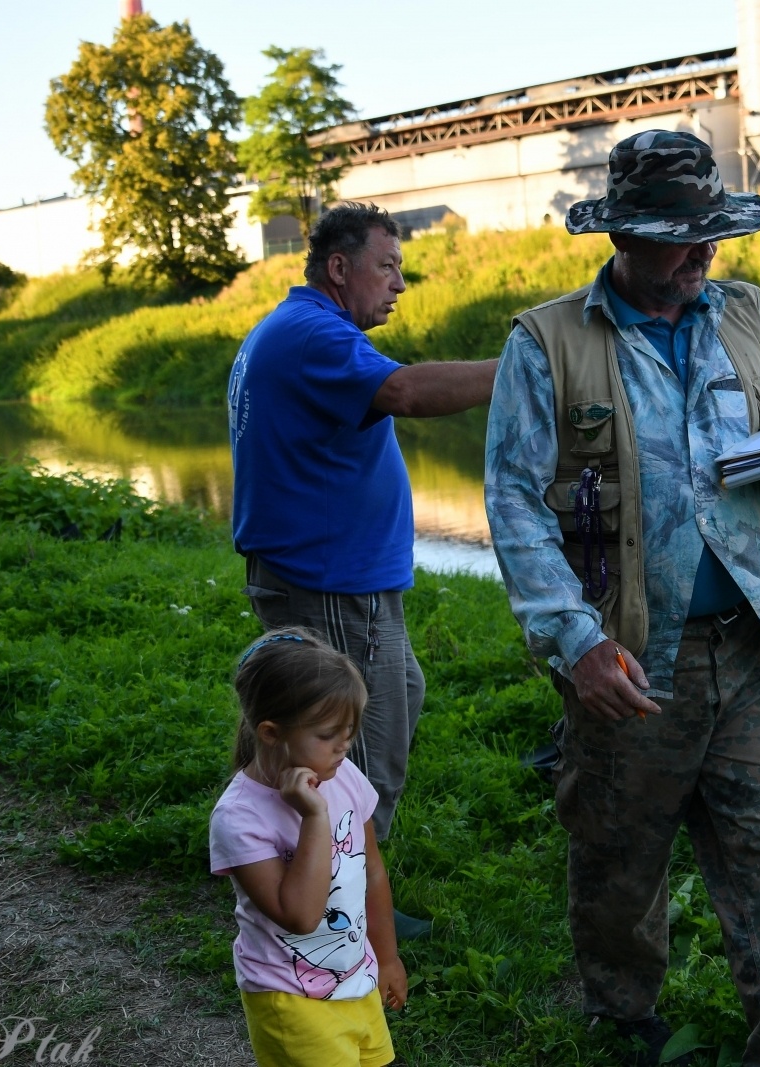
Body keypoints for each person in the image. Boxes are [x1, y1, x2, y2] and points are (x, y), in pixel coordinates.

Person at [484, 130, 760, 1067]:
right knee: (617, 861)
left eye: (711, 235)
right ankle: (623, 1019)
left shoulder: (745, 316)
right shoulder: (548, 341)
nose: (704, 255)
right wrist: (575, 641)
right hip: (629, 660)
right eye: (682, 237)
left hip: (753, 646)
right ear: (625, 237)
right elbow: (516, 503)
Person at [229, 203, 497, 935]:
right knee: (357, 749)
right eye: (389, 267)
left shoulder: (291, 329)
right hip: (332, 585)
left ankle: (283, 866)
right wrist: (525, 371)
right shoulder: (315, 334)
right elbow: (405, 393)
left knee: (387, 702)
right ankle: (336, 905)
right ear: (339, 268)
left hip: (330, 577)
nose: (400, 285)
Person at [209, 627, 407, 1067]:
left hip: (356, 978)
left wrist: (387, 957)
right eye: (328, 734)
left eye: (350, 731)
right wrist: (315, 817)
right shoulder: (240, 818)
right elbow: (300, 916)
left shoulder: (346, 777)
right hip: (291, 998)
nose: (344, 746)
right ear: (271, 732)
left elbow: (371, 870)